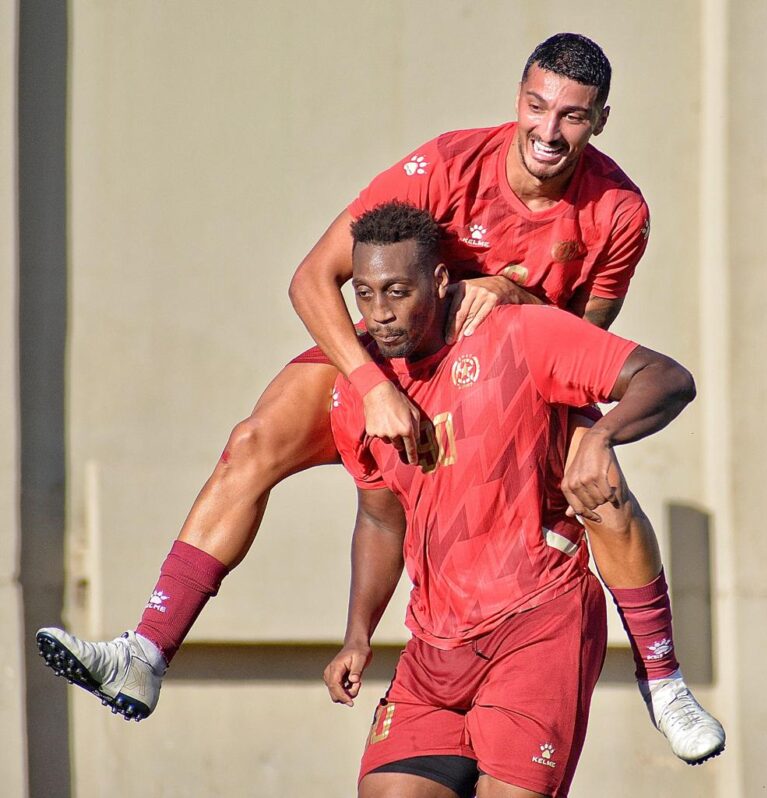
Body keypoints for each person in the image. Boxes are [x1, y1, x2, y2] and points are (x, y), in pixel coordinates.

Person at [36, 33, 723, 761]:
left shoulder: (618, 210)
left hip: (507, 375)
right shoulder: (449, 165)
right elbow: (313, 277)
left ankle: (664, 681)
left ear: (600, 121)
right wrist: (370, 386)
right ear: (518, 99)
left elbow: (586, 340)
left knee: (600, 482)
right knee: (252, 442)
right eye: (536, 106)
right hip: (397, 357)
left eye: (572, 116)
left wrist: (513, 297)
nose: (548, 131)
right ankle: (146, 651)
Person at [322, 202, 706, 798]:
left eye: (397, 291)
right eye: (365, 295)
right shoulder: (361, 392)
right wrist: (357, 634)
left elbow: (668, 378)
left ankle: (663, 679)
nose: (380, 313)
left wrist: (601, 436)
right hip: (435, 647)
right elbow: (379, 519)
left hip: (537, 622)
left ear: (440, 280)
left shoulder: (522, 334)